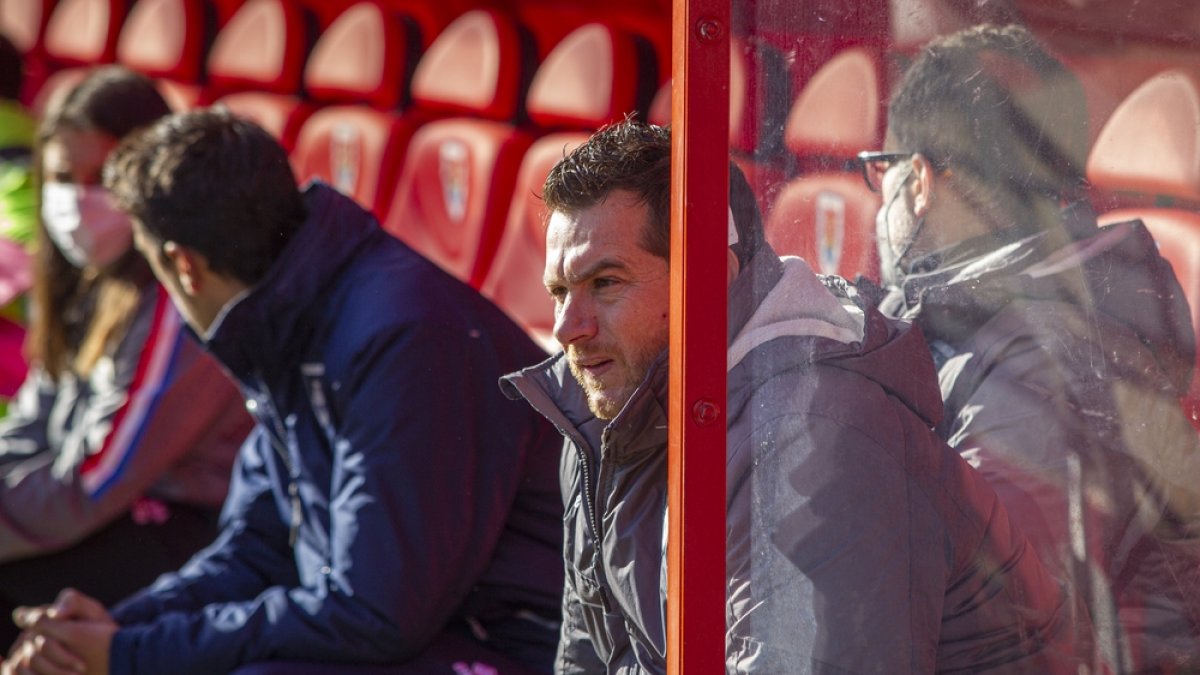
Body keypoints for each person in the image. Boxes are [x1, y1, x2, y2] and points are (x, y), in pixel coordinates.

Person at [500, 119, 1079, 673]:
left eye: (605, 283)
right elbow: (596, 657)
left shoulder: (823, 437)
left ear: (710, 279)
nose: (567, 327)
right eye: (559, 291)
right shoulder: (605, 408)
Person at [4, 108, 563, 675]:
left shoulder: (404, 337)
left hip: (513, 643)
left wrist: (130, 655)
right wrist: (118, 626)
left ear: (183, 266)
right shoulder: (287, 313)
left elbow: (375, 614)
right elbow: (256, 550)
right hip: (422, 627)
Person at [862, 23, 1200, 672]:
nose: (880, 203)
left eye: (882, 174)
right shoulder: (1027, 310)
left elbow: (1002, 633)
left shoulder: (1029, 364)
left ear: (922, 179)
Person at [0, 67, 252, 652]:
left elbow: (97, 482)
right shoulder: (78, 274)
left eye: (103, 178)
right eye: (64, 177)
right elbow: (31, 425)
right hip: (92, 513)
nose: (79, 199)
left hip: (184, 535)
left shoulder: (179, 295)